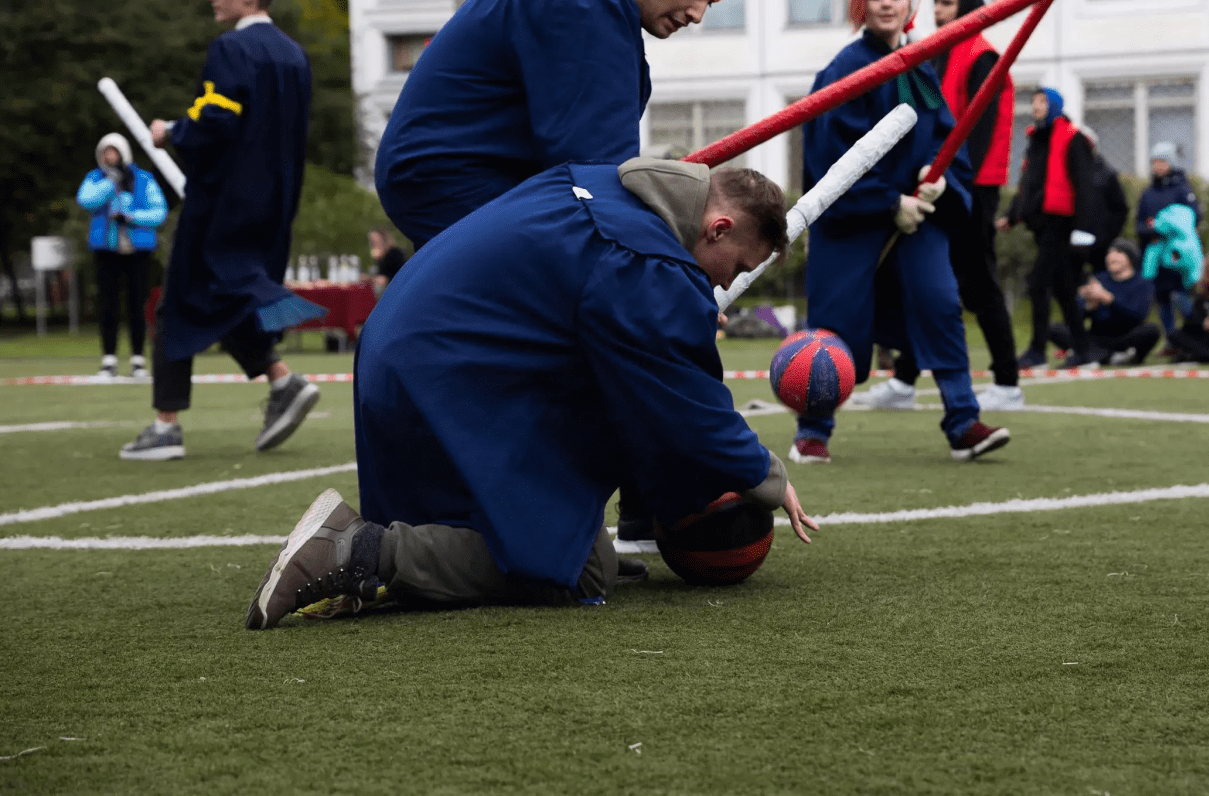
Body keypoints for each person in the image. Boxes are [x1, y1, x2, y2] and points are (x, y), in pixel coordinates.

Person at [244, 159, 817, 629]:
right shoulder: (644, 258)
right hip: (453, 377)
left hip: (415, 354)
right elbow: (684, 405)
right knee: (572, 575)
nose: (724, 284)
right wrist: (767, 475)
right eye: (734, 267)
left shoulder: (600, 183)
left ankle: (434, 550)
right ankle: (356, 551)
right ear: (717, 228)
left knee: (585, 516)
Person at [375, 0, 739, 249]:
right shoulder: (586, 0)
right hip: (456, 178)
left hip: (449, 178)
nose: (697, 14)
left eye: (709, 2)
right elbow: (595, 172)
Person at [794, 0, 1010, 465]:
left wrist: (938, 182)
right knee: (835, 320)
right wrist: (887, 202)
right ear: (861, 4)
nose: (886, 4)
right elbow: (831, 156)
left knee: (939, 301)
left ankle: (963, 420)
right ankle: (813, 430)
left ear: (910, 4)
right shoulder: (844, 70)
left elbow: (946, 136)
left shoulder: (920, 67)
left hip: (918, 216)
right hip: (855, 217)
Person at [120, 0, 324, 462]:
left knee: (176, 302)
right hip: (275, 203)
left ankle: (165, 427)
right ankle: (283, 383)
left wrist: (172, 132)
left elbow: (215, 124)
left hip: (224, 201)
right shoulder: (294, 56)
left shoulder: (232, 49)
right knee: (222, 298)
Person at [853, 0, 1022, 413]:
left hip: (972, 187)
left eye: (948, 3)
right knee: (925, 282)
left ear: (968, 6)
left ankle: (1007, 381)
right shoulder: (943, 54)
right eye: (939, 3)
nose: (939, 11)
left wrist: (956, 182)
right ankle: (906, 379)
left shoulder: (981, 56)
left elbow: (977, 131)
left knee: (978, 282)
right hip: (940, 185)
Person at [1000, 88, 1097, 370]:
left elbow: (1084, 186)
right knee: (1064, 289)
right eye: (1034, 102)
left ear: (1054, 105)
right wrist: (1013, 215)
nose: (1036, 106)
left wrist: (1082, 229)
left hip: (1062, 224)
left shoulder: (1073, 138)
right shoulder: (1035, 139)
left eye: (1042, 102)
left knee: (1038, 283)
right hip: (1042, 225)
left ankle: (1037, 351)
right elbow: (1029, 184)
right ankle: (1083, 349)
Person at [76, 133, 167, 378]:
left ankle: (138, 359)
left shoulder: (143, 179)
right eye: (105, 152)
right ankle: (109, 360)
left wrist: (131, 217)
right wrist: (110, 182)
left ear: (123, 152)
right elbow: (86, 200)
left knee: (136, 305)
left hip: (137, 251)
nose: (109, 157)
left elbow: (159, 212)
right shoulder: (96, 178)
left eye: (113, 152)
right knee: (108, 305)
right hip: (107, 250)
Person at [1047, 238, 1160, 365]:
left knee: (1151, 330)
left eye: (1118, 252)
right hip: (1097, 336)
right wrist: (1088, 306)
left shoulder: (1142, 284)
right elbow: (1074, 319)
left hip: (1125, 336)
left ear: (1130, 258)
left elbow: (1137, 317)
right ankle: (1109, 357)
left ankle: (1098, 355)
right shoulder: (1099, 279)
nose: (1111, 256)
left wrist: (1109, 300)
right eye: (1109, 253)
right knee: (1053, 328)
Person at [1136, 141, 1202, 336]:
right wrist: (1154, 228)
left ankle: (1196, 332)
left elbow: (1192, 218)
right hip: (1155, 254)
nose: (1158, 166)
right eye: (1154, 162)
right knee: (1162, 297)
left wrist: (1160, 226)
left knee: (1179, 294)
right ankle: (1171, 338)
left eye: (1162, 161)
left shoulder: (1182, 190)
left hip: (1177, 254)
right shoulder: (1148, 193)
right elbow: (1141, 224)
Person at [1077, 126, 1129, 275]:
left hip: (1099, 245)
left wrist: (1105, 237)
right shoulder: (1068, 172)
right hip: (1073, 242)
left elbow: (1120, 209)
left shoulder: (1106, 174)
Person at [367, 227, 406, 294]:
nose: (373, 243)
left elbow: (402, 273)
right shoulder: (380, 256)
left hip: (397, 290)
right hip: (383, 290)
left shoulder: (394, 253)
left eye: (375, 240)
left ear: (383, 239)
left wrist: (386, 279)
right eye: (371, 241)